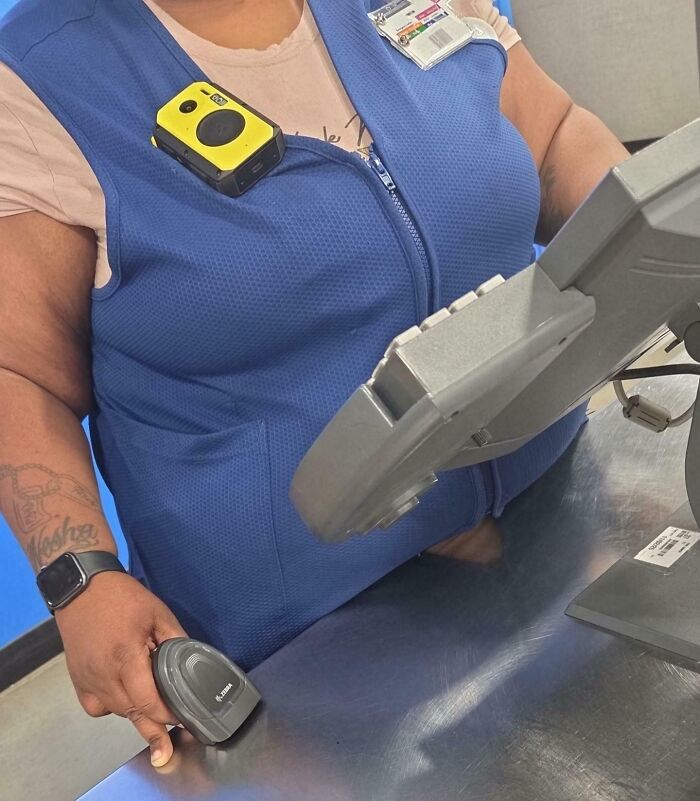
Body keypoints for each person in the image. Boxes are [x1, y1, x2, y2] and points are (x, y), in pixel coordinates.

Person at [0, 0, 629, 769]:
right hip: (307, 654)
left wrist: (657, 243)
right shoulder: (40, 83)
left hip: (556, 514)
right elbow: (20, 373)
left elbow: (555, 139)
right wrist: (80, 579)